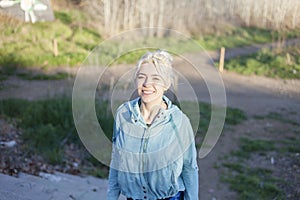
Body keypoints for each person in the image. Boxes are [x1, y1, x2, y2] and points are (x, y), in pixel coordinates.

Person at [107, 50, 199, 200]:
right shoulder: (123, 114)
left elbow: (190, 167)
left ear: (166, 84)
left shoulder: (180, 122)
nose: (147, 84)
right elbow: (116, 160)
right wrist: (111, 197)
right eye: (141, 77)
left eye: (156, 78)